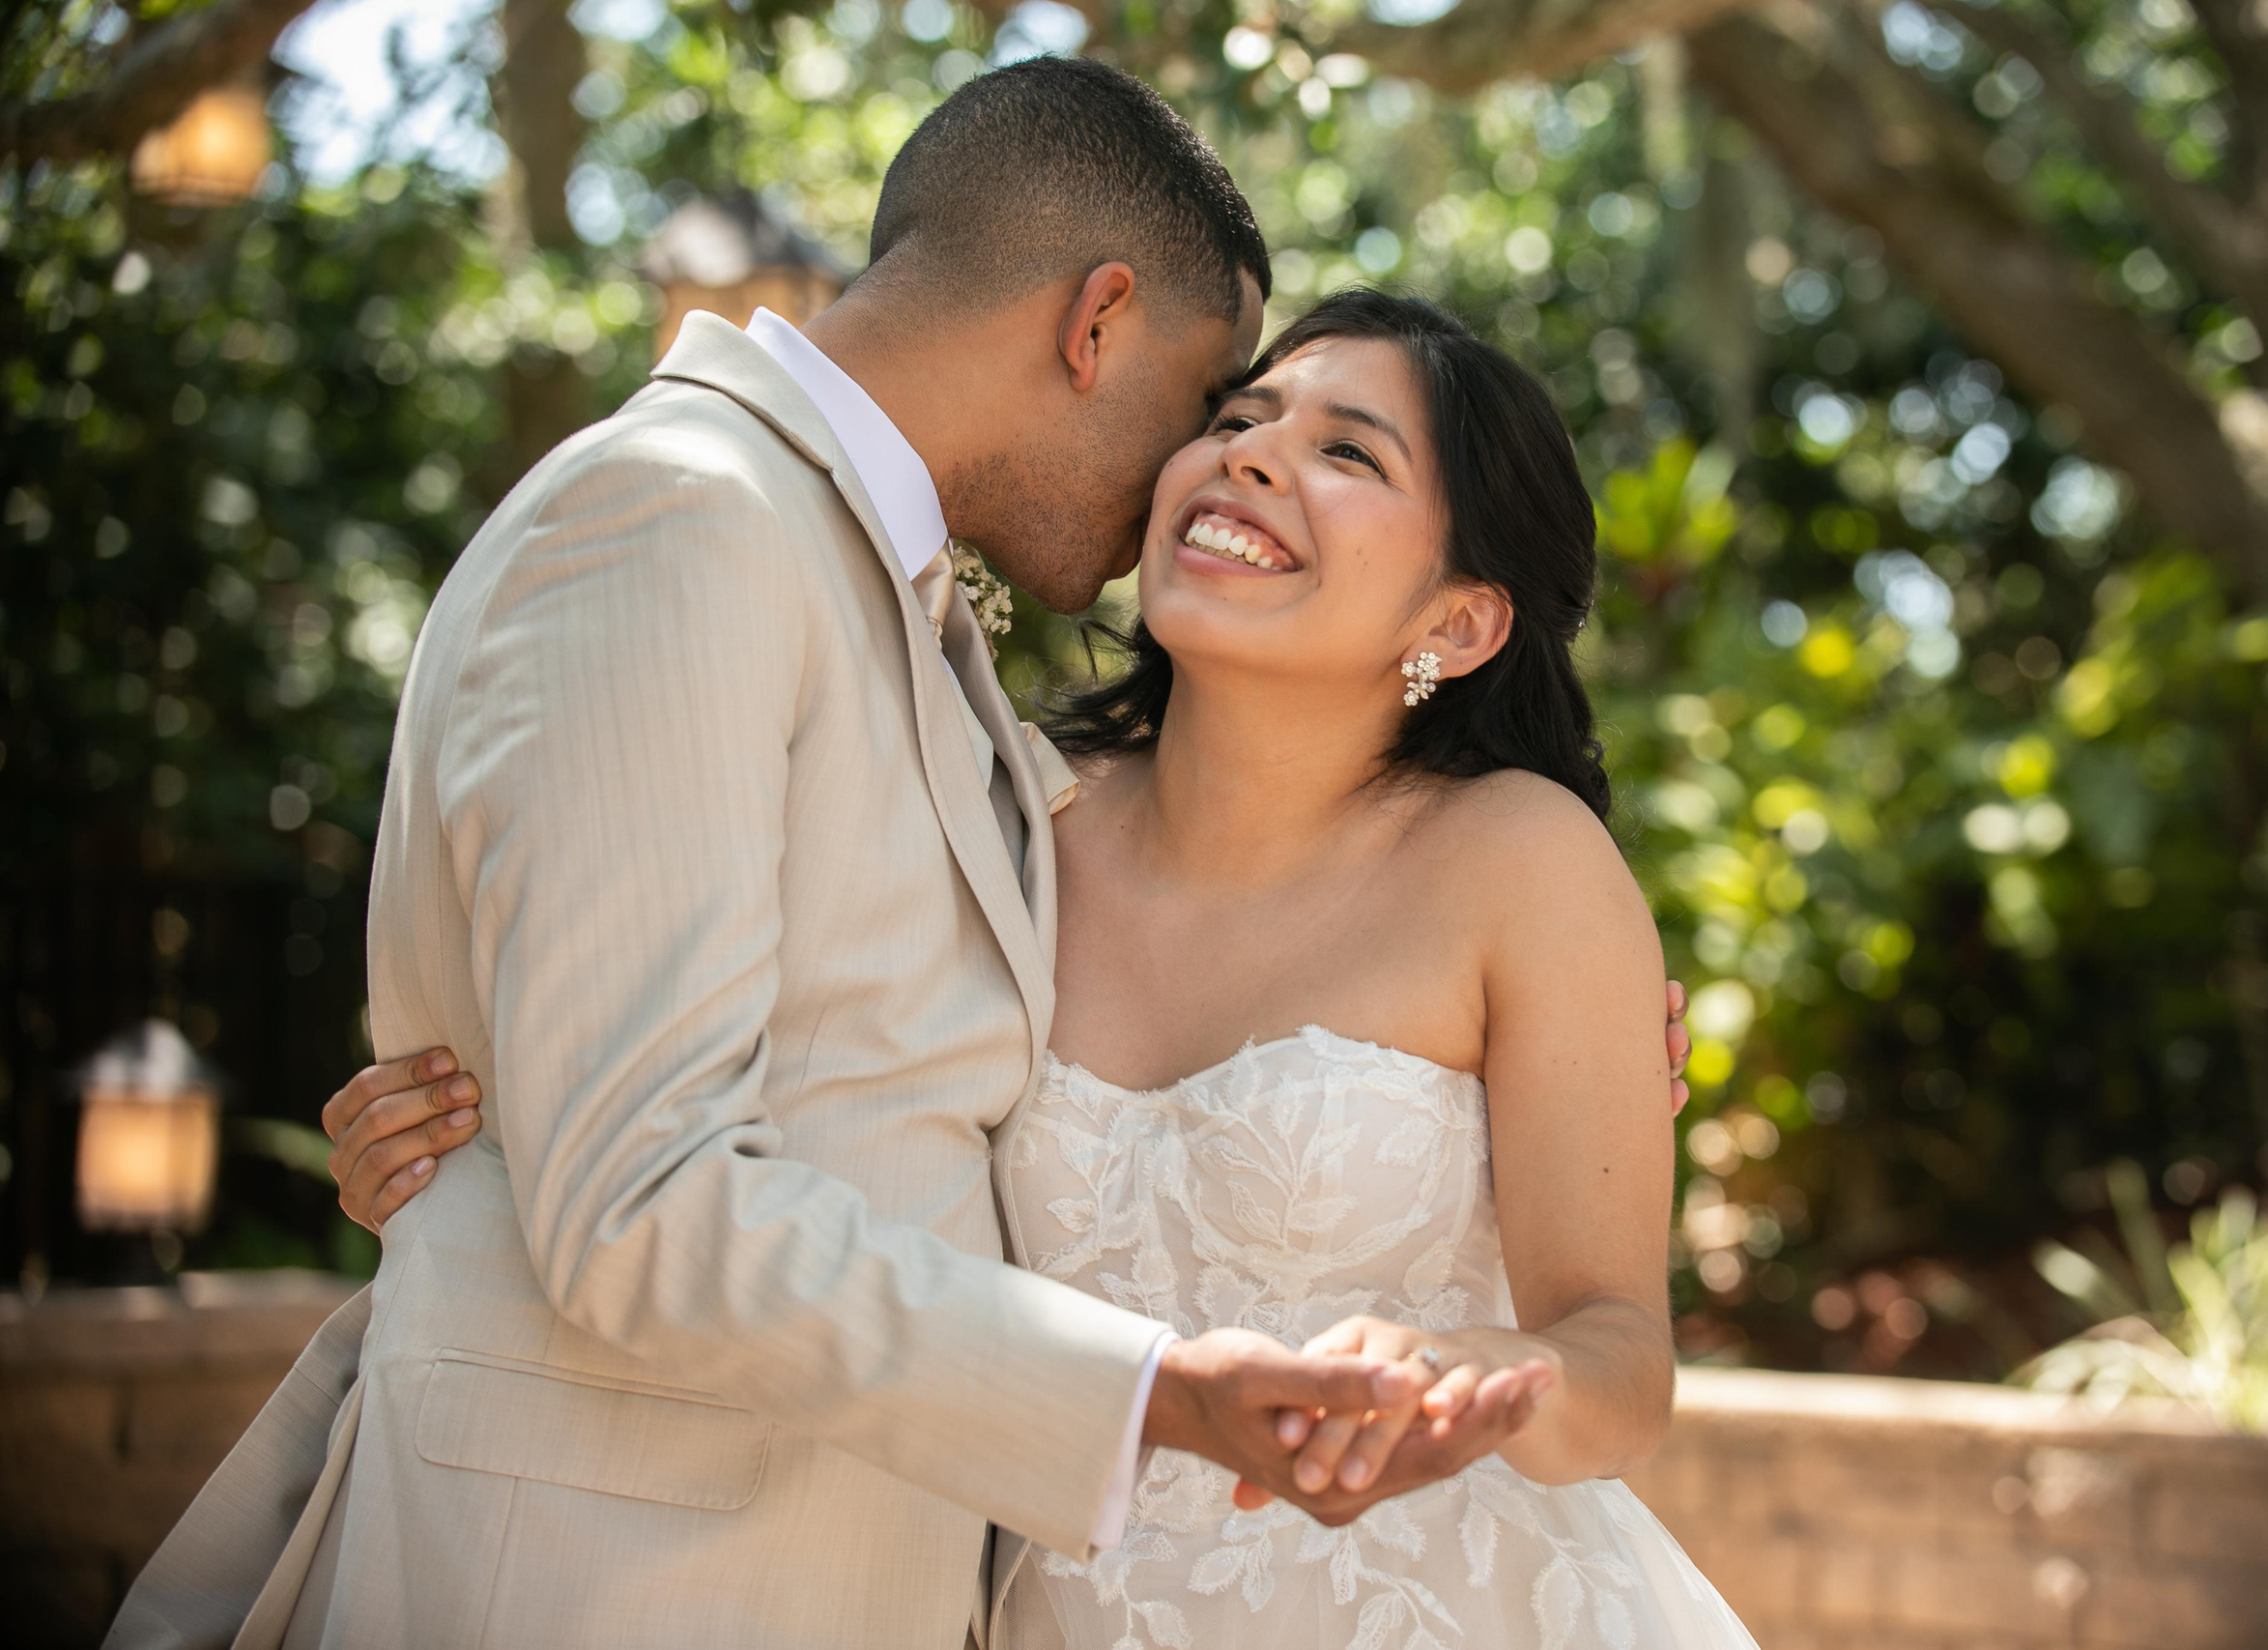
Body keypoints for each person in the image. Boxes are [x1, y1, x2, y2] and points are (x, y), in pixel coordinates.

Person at [104, 62, 1645, 1650]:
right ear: (1095, 322)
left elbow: (863, 1064)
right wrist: (1160, 1398)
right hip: (612, 1582)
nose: (1218, 461)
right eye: (1217, 405)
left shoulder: (920, 636)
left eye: (1330, 447)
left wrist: (1540, 1072)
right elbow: (635, 1191)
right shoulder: (678, 514)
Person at [319, 288, 1749, 1648]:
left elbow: (1620, 1357)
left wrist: (1487, 1378)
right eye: (1241, 416)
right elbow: (730, 1066)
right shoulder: (1003, 805)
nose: (1254, 459)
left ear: (1457, 621)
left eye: (1344, 452)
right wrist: (474, 1143)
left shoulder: (1523, 862)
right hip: (1026, 1606)